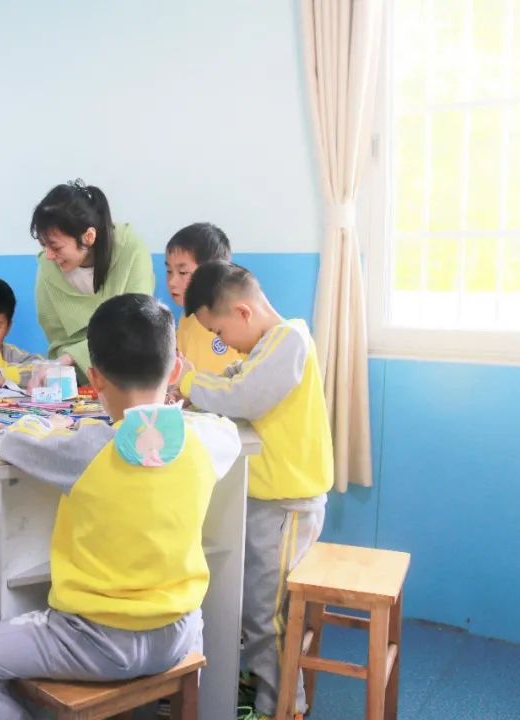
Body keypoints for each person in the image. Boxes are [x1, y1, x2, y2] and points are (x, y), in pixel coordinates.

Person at [0, 294, 241, 719]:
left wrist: (48, 423)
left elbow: (15, 442)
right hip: (176, 635)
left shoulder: (86, 449)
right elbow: (225, 429)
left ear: (95, 379)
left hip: (93, 642)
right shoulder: (207, 441)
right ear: (175, 368)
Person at [172, 262, 334, 720]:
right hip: (270, 499)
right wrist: (198, 384)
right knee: (255, 605)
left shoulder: (289, 341)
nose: (223, 343)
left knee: (268, 612)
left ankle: (281, 706)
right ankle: (264, 680)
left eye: (219, 332)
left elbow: (242, 397)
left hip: (287, 504)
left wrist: (186, 379)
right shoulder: (268, 347)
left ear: (242, 312)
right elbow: (234, 382)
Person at [31, 180, 155, 379]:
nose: (49, 255)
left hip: (128, 375)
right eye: (43, 245)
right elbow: (57, 341)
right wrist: (65, 363)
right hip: (74, 378)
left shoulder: (131, 252)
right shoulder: (48, 268)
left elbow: (135, 326)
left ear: (88, 237)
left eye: (56, 247)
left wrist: (71, 357)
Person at [165, 222, 245, 374]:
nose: (172, 282)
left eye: (183, 272)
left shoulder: (236, 323)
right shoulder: (186, 317)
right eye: (169, 271)